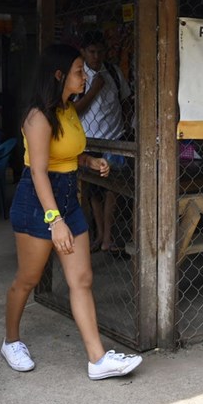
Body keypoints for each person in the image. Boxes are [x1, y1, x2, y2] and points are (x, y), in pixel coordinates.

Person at [2, 44, 142, 379]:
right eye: (80, 70)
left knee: (82, 279)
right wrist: (55, 221)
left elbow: (66, 154)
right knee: (28, 279)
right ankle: (10, 341)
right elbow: (38, 171)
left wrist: (89, 160)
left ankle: (98, 360)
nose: (85, 76)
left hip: (67, 198)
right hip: (39, 204)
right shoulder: (38, 116)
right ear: (59, 75)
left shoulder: (67, 110)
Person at [73, 31, 132, 252]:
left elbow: (125, 100)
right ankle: (99, 235)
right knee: (93, 191)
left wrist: (126, 124)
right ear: (83, 52)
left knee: (112, 189)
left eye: (100, 52)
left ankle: (107, 237)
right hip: (90, 142)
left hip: (114, 139)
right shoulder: (81, 77)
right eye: (91, 52)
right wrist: (94, 89)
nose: (96, 56)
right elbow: (75, 111)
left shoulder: (114, 73)